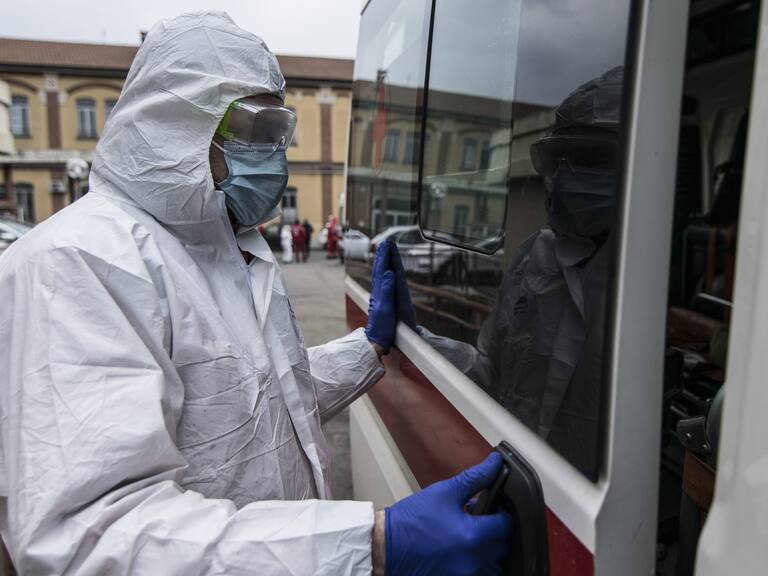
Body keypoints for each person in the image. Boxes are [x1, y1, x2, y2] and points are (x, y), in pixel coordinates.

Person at [0, 12, 511, 575]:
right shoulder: (78, 262)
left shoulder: (225, 249)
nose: (277, 155)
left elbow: (255, 404)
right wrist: (372, 544)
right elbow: (90, 539)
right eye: (257, 131)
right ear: (177, 123)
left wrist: (368, 349)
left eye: (279, 132)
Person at [398, 67, 623, 475]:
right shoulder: (535, 258)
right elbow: (489, 374)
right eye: (557, 160)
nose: (564, 178)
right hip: (519, 486)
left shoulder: (653, 281)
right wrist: (416, 340)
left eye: (590, 159)